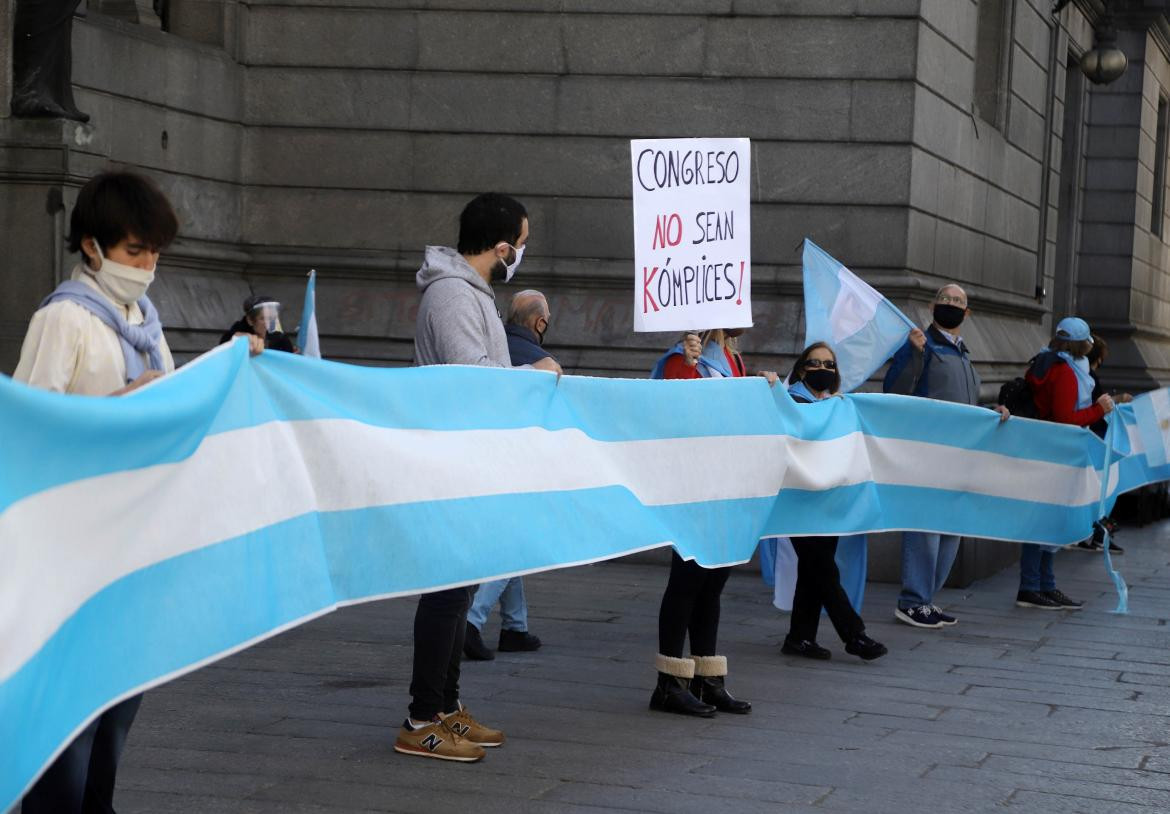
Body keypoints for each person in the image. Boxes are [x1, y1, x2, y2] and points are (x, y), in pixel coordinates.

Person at [13, 171, 260, 813]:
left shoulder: (141, 317)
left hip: (132, 539)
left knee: (119, 701)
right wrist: (116, 408)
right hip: (72, 544)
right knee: (71, 716)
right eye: (133, 251)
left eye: (155, 252)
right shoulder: (65, 317)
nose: (148, 265)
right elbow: (29, 432)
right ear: (91, 246)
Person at [397, 193, 559, 764]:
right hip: (450, 461)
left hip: (469, 458)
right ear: (500, 247)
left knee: (460, 586)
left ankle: (445, 708)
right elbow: (474, 377)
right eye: (522, 241)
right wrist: (532, 372)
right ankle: (422, 718)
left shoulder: (471, 293)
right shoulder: (451, 294)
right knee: (445, 592)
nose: (522, 252)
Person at [648, 328, 777, 718]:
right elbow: (676, 415)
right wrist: (687, 367)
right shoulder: (678, 360)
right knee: (687, 581)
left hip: (726, 486)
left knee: (712, 583)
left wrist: (763, 389)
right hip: (694, 488)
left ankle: (707, 678)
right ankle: (669, 682)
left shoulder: (731, 360)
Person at [883, 284, 1009, 630]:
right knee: (925, 528)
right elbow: (894, 391)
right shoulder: (919, 345)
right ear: (931, 306)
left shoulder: (962, 353)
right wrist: (914, 354)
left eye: (958, 302)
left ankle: (926, 599)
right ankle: (912, 600)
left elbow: (964, 406)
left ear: (967, 314)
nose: (951, 305)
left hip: (960, 459)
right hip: (929, 455)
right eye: (945, 300)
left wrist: (990, 412)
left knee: (951, 530)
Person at [781, 342, 888, 662]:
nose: (824, 369)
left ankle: (800, 637)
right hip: (799, 502)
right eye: (816, 363)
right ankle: (854, 634)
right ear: (801, 369)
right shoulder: (791, 401)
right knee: (823, 569)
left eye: (830, 365)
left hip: (828, 500)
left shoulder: (835, 405)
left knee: (814, 569)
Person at [463, 290, 552, 660]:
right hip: (517, 460)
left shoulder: (492, 346)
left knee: (513, 537)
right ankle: (470, 620)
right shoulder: (537, 356)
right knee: (514, 541)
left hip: (484, 454)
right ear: (539, 323)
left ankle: (516, 627)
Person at [1015, 317, 1115, 609]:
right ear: (1084, 345)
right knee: (1044, 523)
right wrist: (1099, 409)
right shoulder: (1066, 373)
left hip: (1049, 451)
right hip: (1055, 455)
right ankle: (1032, 585)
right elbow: (1065, 420)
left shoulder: (1051, 364)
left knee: (1048, 522)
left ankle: (1044, 584)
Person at [1079, 334, 1130, 553]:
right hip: (1095, 436)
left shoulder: (1084, 375)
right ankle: (1095, 533)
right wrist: (1117, 401)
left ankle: (1096, 533)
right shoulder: (1087, 376)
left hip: (1093, 435)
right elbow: (1096, 406)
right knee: (1097, 487)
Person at [219, 294, 296, 352]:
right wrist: (238, 340)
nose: (271, 323)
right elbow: (225, 349)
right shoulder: (236, 336)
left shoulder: (281, 339)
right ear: (250, 320)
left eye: (274, 317)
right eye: (265, 318)